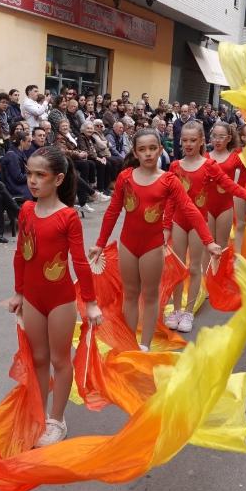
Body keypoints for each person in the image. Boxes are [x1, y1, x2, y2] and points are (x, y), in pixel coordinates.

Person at [89, 128, 221, 351]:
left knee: (150, 296)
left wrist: (209, 241)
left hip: (152, 247)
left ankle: (145, 345)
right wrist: (100, 244)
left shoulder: (169, 180)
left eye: (152, 148)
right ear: (135, 152)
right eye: (142, 149)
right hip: (128, 245)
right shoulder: (125, 177)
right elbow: (112, 211)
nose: (148, 153)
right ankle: (128, 344)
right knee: (129, 295)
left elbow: (189, 210)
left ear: (160, 149)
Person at [9, 145, 102, 447]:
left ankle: (56, 419)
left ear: (58, 179)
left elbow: (80, 261)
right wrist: (19, 292)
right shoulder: (26, 210)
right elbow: (21, 255)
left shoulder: (68, 217)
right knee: (38, 358)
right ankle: (37, 415)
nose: (33, 181)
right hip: (34, 298)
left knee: (60, 360)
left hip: (60, 299)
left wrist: (89, 302)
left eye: (40, 175)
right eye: (29, 174)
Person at [166, 122, 246, 333]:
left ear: (201, 141)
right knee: (178, 268)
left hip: (199, 222)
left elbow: (230, 185)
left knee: (195, 267)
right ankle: (176, 309)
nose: (188, 144)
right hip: (179, 221)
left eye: (193, 140)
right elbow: (169, 200)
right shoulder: (175, 166)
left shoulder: (208, 165)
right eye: (185, 140)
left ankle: (188, 312)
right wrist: (165, 226)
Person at [1, 130, 32, 201]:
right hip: (14, 187)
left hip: (19, 185)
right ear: (21, 142)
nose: (30, 144)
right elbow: (18, 178)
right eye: (28, 141)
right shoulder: (12, 155)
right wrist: (32, 175)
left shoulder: (19, 153)